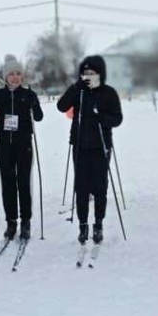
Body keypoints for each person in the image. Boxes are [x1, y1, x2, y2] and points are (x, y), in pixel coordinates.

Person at [57, 55, 123, 245]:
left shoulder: (109, 92)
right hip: (80, 146)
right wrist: (75, 87)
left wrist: (102, 117)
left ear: (100, 74)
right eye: (85, 73)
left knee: (100, 187)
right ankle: (83, 225)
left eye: (92, 73)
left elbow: (117, 119)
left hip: (101, 146)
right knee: (81, 188)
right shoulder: (79, 91)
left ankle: (98, 224)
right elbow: (61, 106)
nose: (88, 76)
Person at [0, 58, 44, 241]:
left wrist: (35, 102)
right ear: (5, 76)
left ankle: (25, 222)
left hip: (24, 144)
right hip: (5, 145)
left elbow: (38, 117)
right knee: (8, 184)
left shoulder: (28, 94)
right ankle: (11, 221)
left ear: (22, 76)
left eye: (18, 74)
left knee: (23, 183)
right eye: (11, 74)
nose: (15, 78)